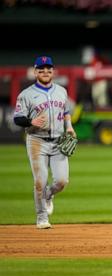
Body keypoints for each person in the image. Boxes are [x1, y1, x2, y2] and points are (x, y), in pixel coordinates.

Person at [13, 56, 76, 229]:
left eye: (48, 69)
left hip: (58, 141)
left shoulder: (61, 91)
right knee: (40, 181)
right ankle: (41, 217)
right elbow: (17, 118)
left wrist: (69, 127)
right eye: (41, 69)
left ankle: (48, 195)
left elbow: (66, 111)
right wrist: (30, 122)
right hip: (36, 141)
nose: (45, 72)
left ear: (53, 71)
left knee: (62, 181)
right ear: (35, 72)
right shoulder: (26, 95)